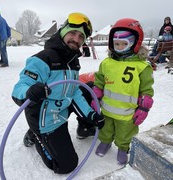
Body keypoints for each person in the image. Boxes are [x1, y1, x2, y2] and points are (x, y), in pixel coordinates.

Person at [11, 12, 105, 174]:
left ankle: (84, 127)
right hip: (44, 119)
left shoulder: (73, 63)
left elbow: (74, 93)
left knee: (87, 87)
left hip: (60, 111)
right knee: (66, 165)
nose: (76, 39)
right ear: (63, 31)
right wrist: (29, 92)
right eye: (72, 33)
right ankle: (36, 134)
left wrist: (91, 115)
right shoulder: (42, 59)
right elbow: (19, 88)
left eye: (81, 37)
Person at [91, 18, 154, 165]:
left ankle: (122, 148)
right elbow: (100, 80)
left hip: (127, 112)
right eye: (116, 43)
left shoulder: (142, 67)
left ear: (135, 43)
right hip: (107, 108)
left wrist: (144, 107)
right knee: (106, 128)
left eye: (124, 43)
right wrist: (96, 94)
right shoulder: (107, 63)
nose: (119, 47)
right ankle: (105, 142)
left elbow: (146, 90)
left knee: (125, 133)